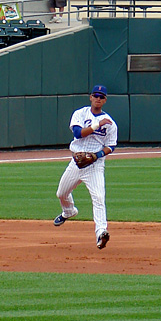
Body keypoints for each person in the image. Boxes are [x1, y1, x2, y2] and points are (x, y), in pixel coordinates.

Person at [54, 84, 117, 250]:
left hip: (95, 165)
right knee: (61, 193)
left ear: (105, 100)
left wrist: (97, 155)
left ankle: (101, 232)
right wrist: (97, 125)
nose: (98, 98)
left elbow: (111, 146)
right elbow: (77, 133)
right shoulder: (80, 114)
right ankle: (69, 212)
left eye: (101, 96)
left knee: (98, 198)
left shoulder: (110, 123)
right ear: (91, 97)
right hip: (76, 163)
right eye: (95, 95)